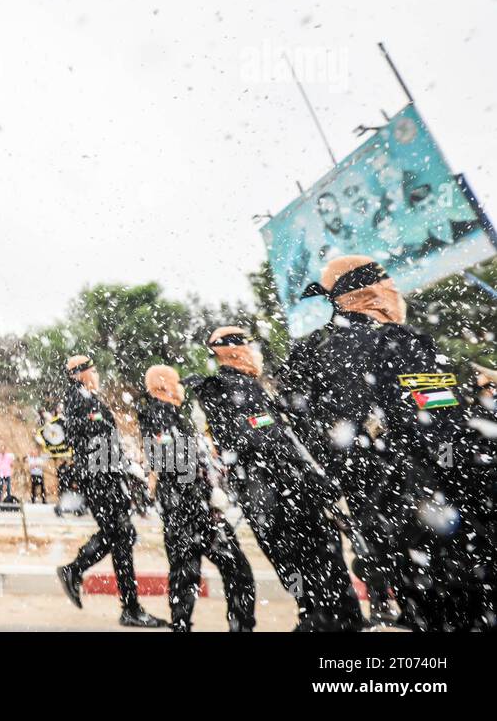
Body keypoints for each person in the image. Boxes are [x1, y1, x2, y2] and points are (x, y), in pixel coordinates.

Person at [280, 256, 497, 631]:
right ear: (373, 292)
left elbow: (318, 441)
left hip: (383, 530)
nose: (398, 294)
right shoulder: (399, 343)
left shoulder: (311, 354)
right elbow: (441, 441)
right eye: (392, 285)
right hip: (441, 527)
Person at [195, 326, 363, 632]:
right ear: (231, 350)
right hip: (280, 500)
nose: (254, 351)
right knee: (322, 591)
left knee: (315, 589)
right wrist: (313, 482)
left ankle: (330, 619)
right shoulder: (232, 387)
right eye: (247, 344)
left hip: (272, 499)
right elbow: (267, 443)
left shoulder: (242, 387)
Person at [138, 364, 255, 632]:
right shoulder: (160, 414)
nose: (181, 388)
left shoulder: (167, 414)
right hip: (191, 507)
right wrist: (207, 487)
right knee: (236, 571)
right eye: (177, 382)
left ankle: (182, 626)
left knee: (184, 574)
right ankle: (239, 626)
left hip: (183, 506)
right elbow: (172, 459)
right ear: (164, 385)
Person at [54, 355, 167, 628]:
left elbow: (105, 438)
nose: (96, 374)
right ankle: (81, 574)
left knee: (122, 536)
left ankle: (124, 602)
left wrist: (126, 466)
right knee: (121, 534)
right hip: (99, 477)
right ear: (79, 374)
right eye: (92, 370)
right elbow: (83, 434)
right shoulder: (76, 398)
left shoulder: (90, 398)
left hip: (108, 476)